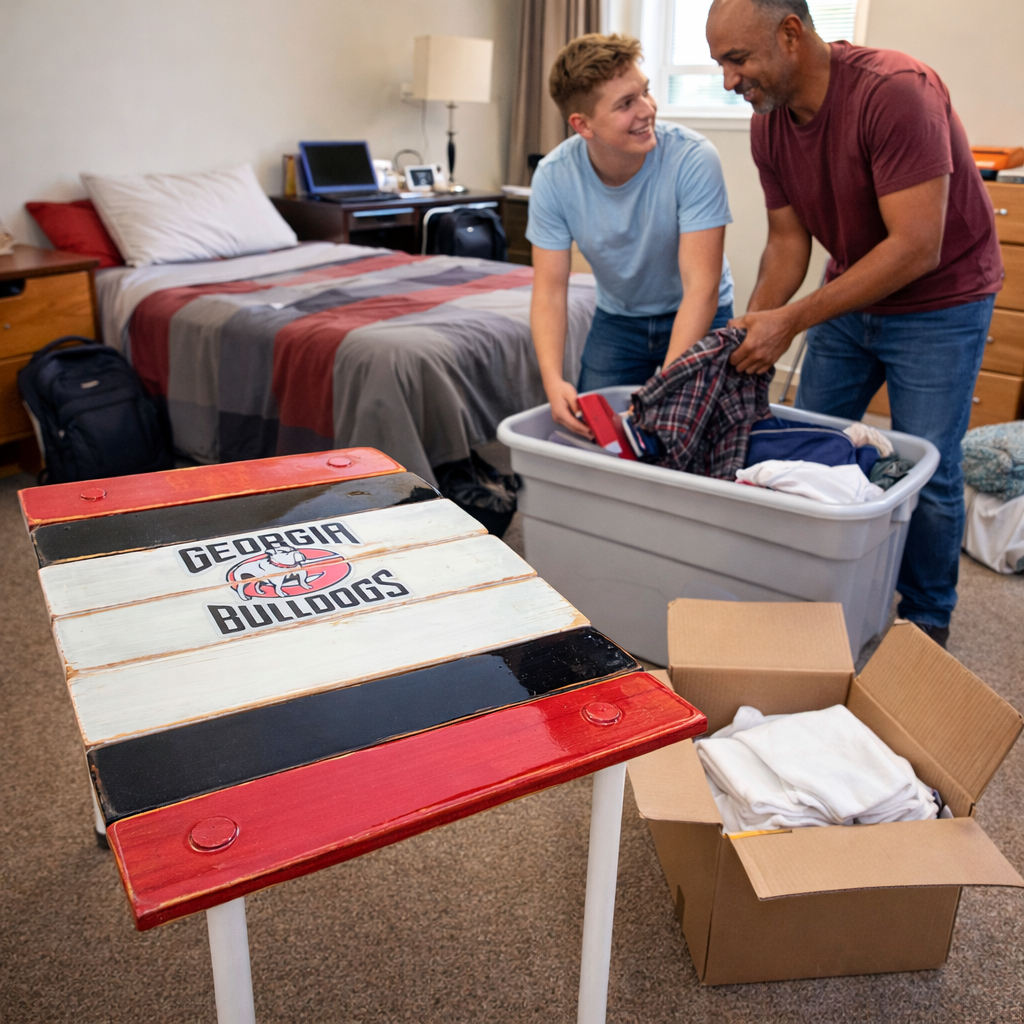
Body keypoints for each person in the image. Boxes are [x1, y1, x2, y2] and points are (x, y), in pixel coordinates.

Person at [706, 0, 1002, 647]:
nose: (729, 80)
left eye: (737, 59)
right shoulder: (769, 122)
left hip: (941, 299)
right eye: (720, 64)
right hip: (850, 296)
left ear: (791, 34)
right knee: (811, 453)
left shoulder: (896, 93)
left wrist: (794, 319)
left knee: (931, 462)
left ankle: (925, 621)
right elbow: (788, 243)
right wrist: (756, 324)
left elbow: (916, 246)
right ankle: (812, 597)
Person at [527, 33, 735, 437]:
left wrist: (661, 392)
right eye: (626, 104)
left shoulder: (693, 158)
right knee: (599, 438)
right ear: (582, 124)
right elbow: (550, 290)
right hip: (619, 318)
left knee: (701, 435)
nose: (647, 110)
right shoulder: (554, 177)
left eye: (645, 92)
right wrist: (553, 381)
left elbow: (701, 288)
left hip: (697, 309)